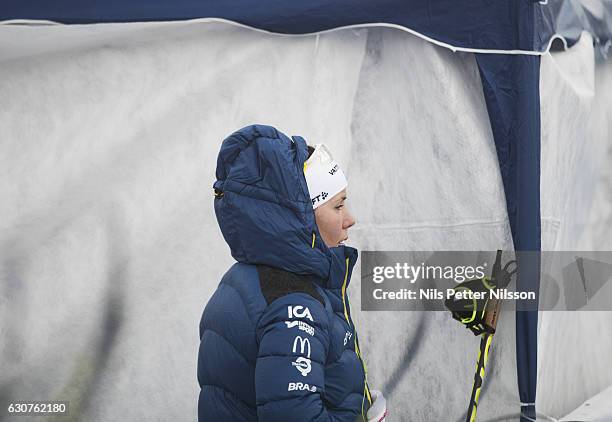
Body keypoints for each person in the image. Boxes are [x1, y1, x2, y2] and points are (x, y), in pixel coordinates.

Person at [198, 124, 387, 421]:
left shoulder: (245, 278)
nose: (350, 219)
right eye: (337, 207)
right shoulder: (293, 306)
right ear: (299, 219)